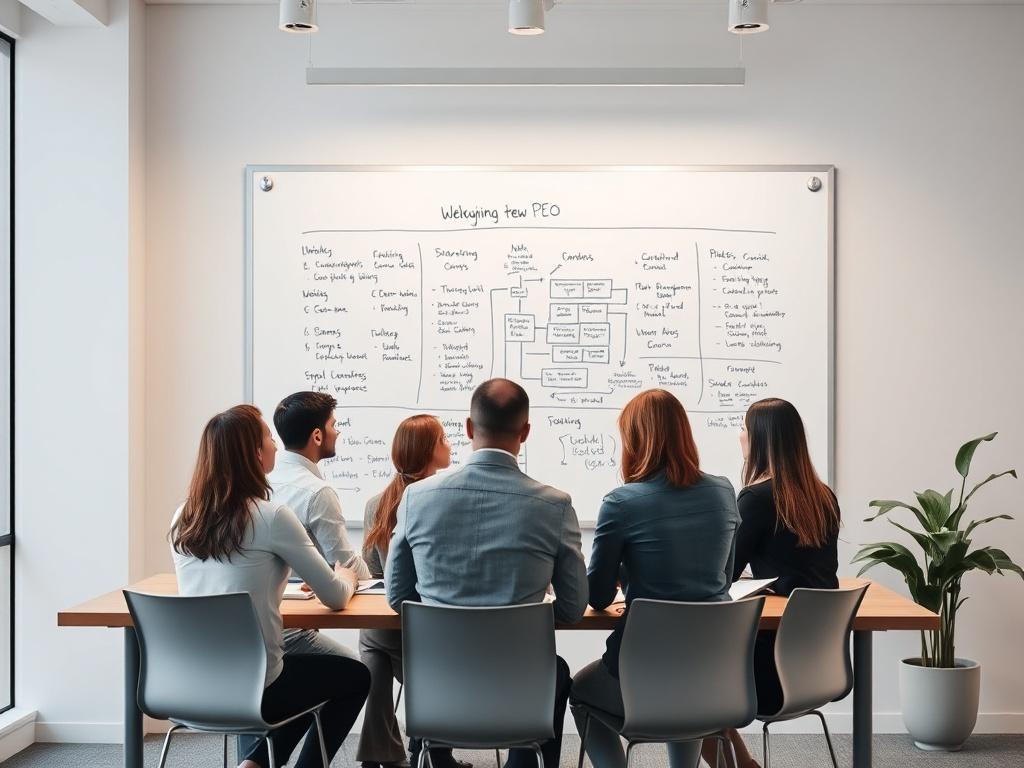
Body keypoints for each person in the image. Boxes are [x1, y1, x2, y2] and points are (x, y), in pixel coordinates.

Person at [386, 379, 587, 768]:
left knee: (427, 657)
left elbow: (397, 597)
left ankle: (435, 757)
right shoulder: (555, 505)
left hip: (439, 685)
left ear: (467, 428)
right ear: (525, 433)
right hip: (520, 688)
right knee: (556, 670)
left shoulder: (417, 498)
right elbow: (574, 608)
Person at [169, 404, 370, 768]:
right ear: (254, 453)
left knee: (297, 674)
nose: (276, 446)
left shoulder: (183, 515)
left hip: (191, 683)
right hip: (255, 685)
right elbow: (337, 597)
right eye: (268, 437)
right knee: (354, 676)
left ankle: (256, 763)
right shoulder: (271, 515)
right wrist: (348, 574)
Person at [568, 389, 740, 768]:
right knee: (687, 695)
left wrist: (623, 575)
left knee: (579, 690)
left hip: (640, 676)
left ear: (635, 441)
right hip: (711, 673)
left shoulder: (621, 502)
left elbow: (596, 596)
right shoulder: (724, 491)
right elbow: (723, 581)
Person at [709, 397, 841, 768]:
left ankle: (742, 765)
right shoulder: (823, 497)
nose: (739, 436)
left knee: (691, 677)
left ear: (759, 440)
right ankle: (746, 763)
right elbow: (804, 570)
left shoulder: (755, 498)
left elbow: (723, 575)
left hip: (768, 671)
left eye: (744, 429)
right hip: (818, 667)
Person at [358, 414, 465, 768]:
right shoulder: (446, 500)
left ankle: (379, 755)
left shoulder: (377, 504)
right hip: (434, 639)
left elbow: (373, 571)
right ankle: (434, 752)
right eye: (443, 440)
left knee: (371, 643)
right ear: (428, 451)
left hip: (390, 632)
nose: (450, 445)